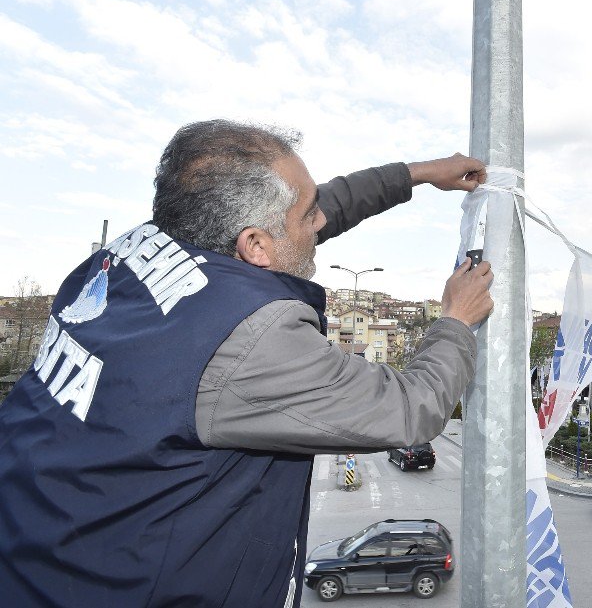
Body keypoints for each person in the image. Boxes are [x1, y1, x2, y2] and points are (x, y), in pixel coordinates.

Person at [0, 120, 494, 607]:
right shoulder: (248, 339)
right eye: (308, 216)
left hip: (38, 556)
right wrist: (455, 320)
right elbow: (411, 408)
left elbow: (309, 211)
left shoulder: (138, 248)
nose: (321, 221)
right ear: (255, 244)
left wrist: (418, 173)